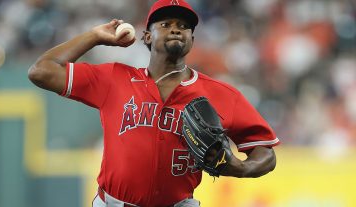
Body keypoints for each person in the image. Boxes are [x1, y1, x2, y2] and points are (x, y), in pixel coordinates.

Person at [28, 0, 280, 206]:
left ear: (192, 39)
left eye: (183, 25)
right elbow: (41, 71)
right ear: (147, 36)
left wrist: (242, 168)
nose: (175, 29)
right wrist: (94, 36)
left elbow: (265, 152)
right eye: (165, 23)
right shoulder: (114, 79)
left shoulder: (221, 94)